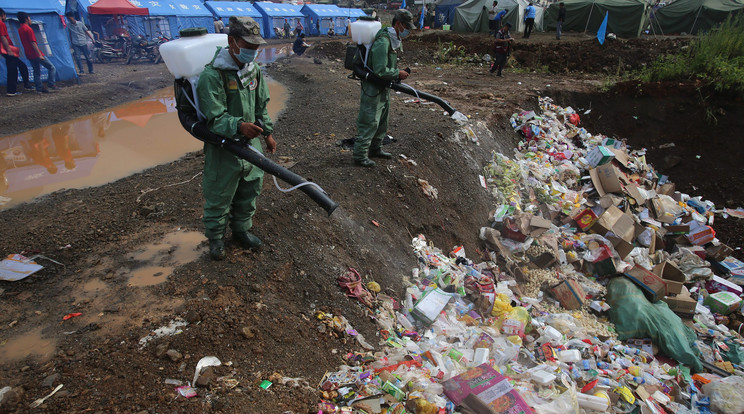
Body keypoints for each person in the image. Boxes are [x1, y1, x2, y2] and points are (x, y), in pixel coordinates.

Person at [196, 16, 276, 261]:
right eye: (248, 46)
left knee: (249, 190)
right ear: (232, 41)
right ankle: (216, 238)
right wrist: (239, 126)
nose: (253, 52)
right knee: (220, 194)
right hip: (224, 148)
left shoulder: (253, 70)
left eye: (256, 48)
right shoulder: (213, 75)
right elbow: (214, 117)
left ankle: (241, 230)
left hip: (249, 145)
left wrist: (268, 133)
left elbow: (262, 104)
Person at [352, 9, 415, 168]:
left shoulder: (394, 39)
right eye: (406, 26)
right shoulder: (383, 41)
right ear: (399, 24)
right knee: (370, 121)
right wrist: (397, 73)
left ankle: (375, 149)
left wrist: (396, 74)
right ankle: (360, 155)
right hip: (372, 88)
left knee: (382, 121)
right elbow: (380, 69)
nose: (407, 30)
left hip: (383, 87)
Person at [18, 12, 58, 93]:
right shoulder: (28, 29)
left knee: (36, 71)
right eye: (29, 18)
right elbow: (33, 42)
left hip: (28, 54)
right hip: (35, 53)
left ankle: (39, 88)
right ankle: (51, 84)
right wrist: (39, 54)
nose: (30, 20)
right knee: (51, 67)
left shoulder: (20, 29)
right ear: (26, 19)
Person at [1, 8, 32, 97]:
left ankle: (24, 85)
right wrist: (9, 50)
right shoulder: (1, 24)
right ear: (2, 15)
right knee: (12, 70)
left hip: (5, 50)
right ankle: (11, 91)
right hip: (7, 50)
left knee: (20, 66)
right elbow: (3, 37)